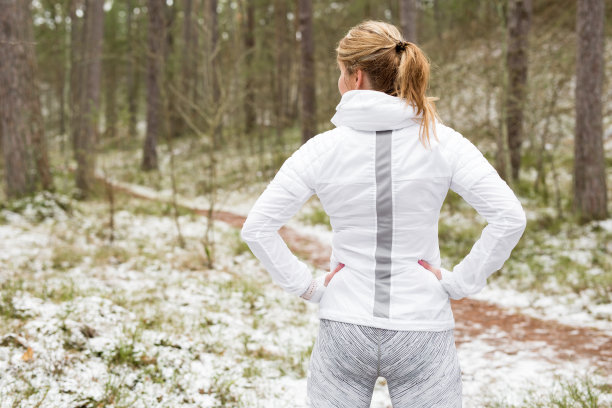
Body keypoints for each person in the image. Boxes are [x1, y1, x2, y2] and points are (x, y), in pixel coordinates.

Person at [240, 20, 527, 408]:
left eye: (340, 73)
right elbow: (510, 217)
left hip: (344, 326)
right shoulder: (442, 141)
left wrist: (308, 287)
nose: (338, 83)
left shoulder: (322, 148)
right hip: (423, 327)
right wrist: (459, 283)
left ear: (356, 77)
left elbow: (258, 229)